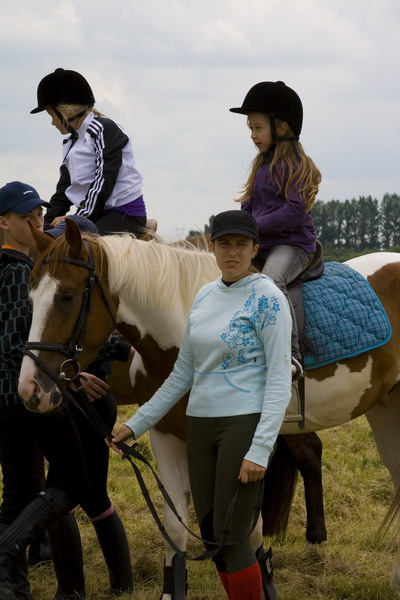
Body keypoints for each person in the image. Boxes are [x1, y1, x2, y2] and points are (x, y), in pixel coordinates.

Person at [111, 210, 293, 600]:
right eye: (224, 243)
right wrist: (137, 423)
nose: (232, 252)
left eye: (241, 244)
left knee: (235, 535)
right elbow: (182, 374)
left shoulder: (268, 299)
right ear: (212, 248)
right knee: (212, 535)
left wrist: (260, 449)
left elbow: (280, 380)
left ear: (255, 250)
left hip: (243, 424)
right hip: (201, 424)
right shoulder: (205, 296)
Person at [0, 186, 133, 600]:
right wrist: (74, 378)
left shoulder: (25, 264)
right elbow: (27, 340)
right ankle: (59, 583)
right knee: (70, 484)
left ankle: (15, 587)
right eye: (28, 217)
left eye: (39, 214)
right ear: (4, 221)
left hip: (23, 393)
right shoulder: (17, 270)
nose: (38, 222)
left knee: (24, 491)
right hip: (30, 395)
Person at [229, 81, 322, 377]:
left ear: (280, 127)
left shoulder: (295, 165)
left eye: (258, 128)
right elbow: (249, 200)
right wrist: (242, 224)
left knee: (271, 280)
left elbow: (295, 209)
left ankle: (290, 356)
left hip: (293, 245)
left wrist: (256, 227)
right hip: (262, 241)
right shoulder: (261, 163)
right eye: (251, 129)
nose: (253, 136)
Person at [30, 67, 146, 236]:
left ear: (65, 110)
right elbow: (64, 191)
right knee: (45, 239)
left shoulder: (104, 130)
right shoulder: (73, 142)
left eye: (51, 115)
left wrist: (77, 220)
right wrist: (46, 225)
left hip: (124, 215)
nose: (52, 123)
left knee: (65, 245)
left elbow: (103, 182)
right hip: (95, 215)